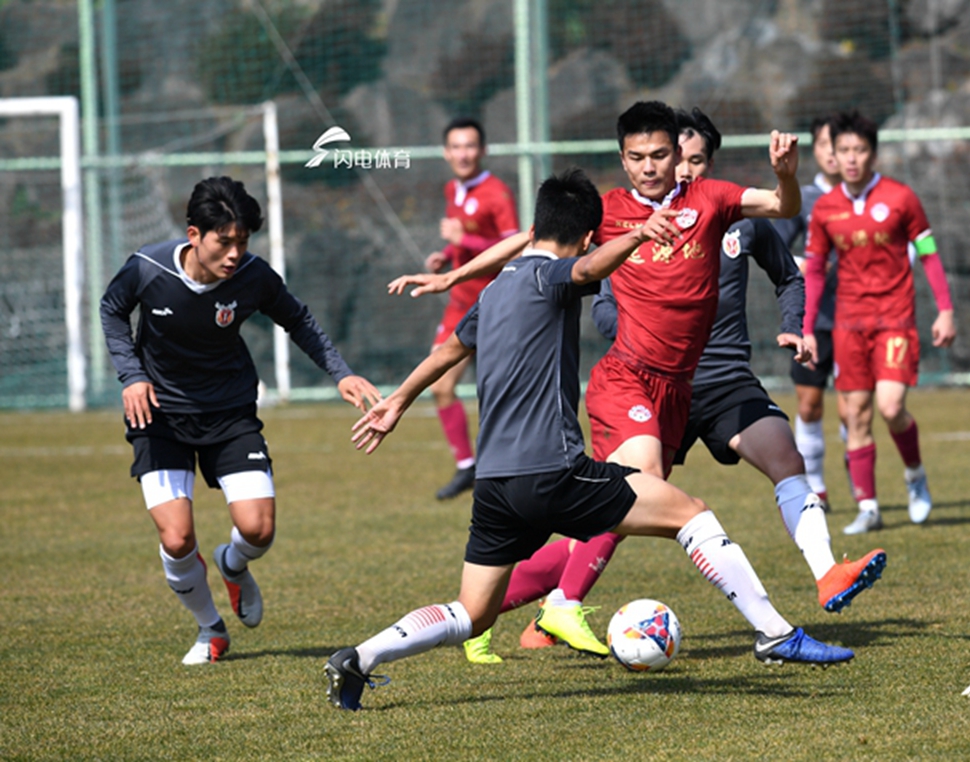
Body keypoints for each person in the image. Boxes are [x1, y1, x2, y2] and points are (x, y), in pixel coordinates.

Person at [324, 169, 854, 710]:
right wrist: (638, 233)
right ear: (584, 238)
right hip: (551, 470)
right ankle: (775, 635)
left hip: (495, 482)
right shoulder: (553, 275)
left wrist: (398, 400)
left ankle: (360, 657)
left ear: (534, 229)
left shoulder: (496, 289)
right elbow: (587, 269)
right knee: (691, 514)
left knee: (472, 613)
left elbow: (447, 353)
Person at [456, 108, 886, 664]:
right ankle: (542, 606)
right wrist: (454, 277)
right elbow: (534, 241)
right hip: (635, 381)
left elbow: (784, 231)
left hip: (711, 381)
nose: (665, 168)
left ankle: (825, 575)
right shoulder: (613, 212)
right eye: (643, 157)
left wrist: (785, 178)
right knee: (637, 499)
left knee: (771, 461)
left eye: (676, 157)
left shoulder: (720, 204)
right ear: (625, 159)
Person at [99, 176, 380, 664]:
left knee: (258, 530)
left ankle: (232, 564)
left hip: (229, 411)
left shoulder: (253, 275)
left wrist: (342, 373)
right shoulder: (147, 268)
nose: (234, 254)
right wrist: (132, 376)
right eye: (224, 241)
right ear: (194, 235)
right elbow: (112, 310)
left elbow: (298, 319)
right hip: (159, 414)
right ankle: (210, 629)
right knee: (177, 538)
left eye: (243, 242)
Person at [800, 111, 957, 535]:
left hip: (894, 320)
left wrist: (945, 309)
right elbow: (814, 271)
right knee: (855, 415)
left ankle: (914, 473)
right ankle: (868, 507)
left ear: (873, 153)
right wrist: (807, 328)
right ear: (834, 155)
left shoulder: (901, 198)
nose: (851, 158)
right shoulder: (825, 209)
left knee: (890, 407)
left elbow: (929, 253)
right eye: (844, 150)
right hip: (847, 325)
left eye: (860, 150)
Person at [423, 117, 520, 500]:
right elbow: (464, 241)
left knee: (501, 398)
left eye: (469, 146)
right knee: (440, 385)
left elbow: (514, 247)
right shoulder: (453, 188)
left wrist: (465, 239)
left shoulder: (497, 193)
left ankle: (508, 472)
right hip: (460, 305)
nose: (463, 154)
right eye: (456, 147)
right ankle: (467, 467)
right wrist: (446, 255)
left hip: (496, 307)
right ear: (446, 153)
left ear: (483, 150)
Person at [772, 115, 844, 511]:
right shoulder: (806, 198)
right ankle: (816, 486)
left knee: (854, 409)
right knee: (809, 405)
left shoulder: (872, 197)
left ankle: (865, 495)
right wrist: (808, 265)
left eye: (841, 145)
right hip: (816, 323)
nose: (833, 153)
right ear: (815, 150)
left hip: (859, 319)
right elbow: (776, 250)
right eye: (824, 145)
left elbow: (908, 246)